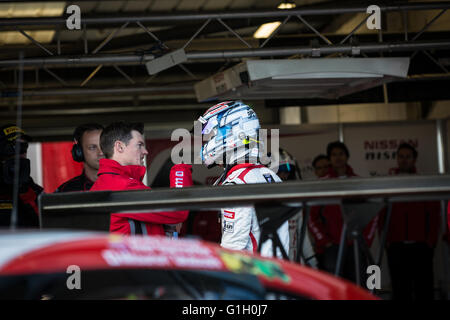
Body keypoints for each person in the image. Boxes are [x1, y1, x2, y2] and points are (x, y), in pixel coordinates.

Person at [197, 100, 289, 258]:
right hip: (280, 273)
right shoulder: (270, 175)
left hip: (256, 276)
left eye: (212, 134)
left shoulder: (237, 183)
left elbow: (233, 249)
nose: (208, 141)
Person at [90, 122, 191, 235]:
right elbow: (177, 210)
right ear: (119, 147)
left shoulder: (109, 182)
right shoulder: (122, 186)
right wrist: (181, 170)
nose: (145, 151)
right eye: (139, 145)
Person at [308, 141, 378, 283]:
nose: (338, 158)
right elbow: (311, 217)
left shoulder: (359, 182)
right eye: (334, 155)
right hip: (332, 246)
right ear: (329, 158)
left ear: (347, 156)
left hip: (356, 245)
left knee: (358, 286)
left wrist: (366, 240)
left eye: (341, 154)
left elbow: (373, 213)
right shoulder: (322, 183)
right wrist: (324, 241)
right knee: (334, 288)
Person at [380, 143, 441, 300]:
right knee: (400, 290)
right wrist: (386, 240)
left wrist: (430, 241)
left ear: (414, 160)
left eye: (408, 157)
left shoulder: (424, 182)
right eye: (401, 156)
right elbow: (382, 214)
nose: (404, 160)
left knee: (424, 289)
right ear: (396, 159)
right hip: (396, 246)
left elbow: (434, 215)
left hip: (421, 246)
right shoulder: (388, 183)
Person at [270, 148, 317, 267]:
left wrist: (312, 261)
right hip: (271, 266)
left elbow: (303, 235)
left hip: (296, 265)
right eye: (280, 170)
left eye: (288, 170)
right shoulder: (258, 204)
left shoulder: (295, 203)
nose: (284, 174)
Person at [0, 124, 43, 228]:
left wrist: (26, 193)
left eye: (25, 147)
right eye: (17, 147)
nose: (23, 152)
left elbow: (46, 223)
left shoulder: (33, 190)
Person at [55, 123, 104, 192]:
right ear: (79, 152)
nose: (101, 153)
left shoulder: (124, 186)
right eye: (92, 147)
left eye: (103, 146)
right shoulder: (66, 192)